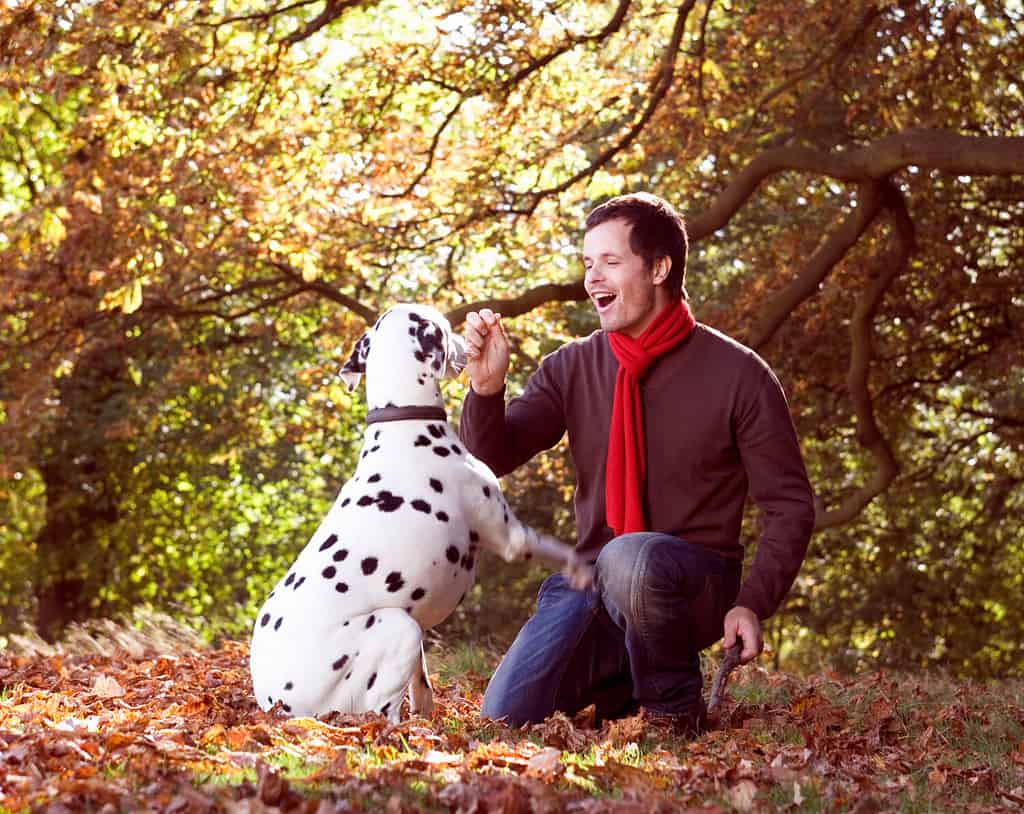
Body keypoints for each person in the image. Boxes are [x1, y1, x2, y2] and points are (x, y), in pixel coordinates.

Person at [459, 192, 816, 733]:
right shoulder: (572, 366)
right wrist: (486, 391)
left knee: (631, 557)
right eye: (586, 263)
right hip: (591, 581)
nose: (592, 279)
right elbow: (492, 457)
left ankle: (674, 710)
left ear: (659, 268)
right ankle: (622, 681)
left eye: (610, 262)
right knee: (504, 716)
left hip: (691, 585)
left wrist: (751, 603)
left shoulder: (739, 374)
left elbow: (790, 506)